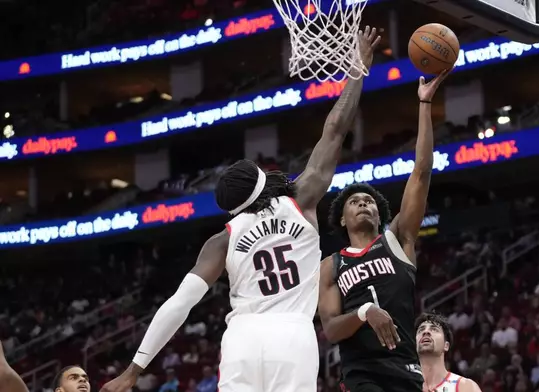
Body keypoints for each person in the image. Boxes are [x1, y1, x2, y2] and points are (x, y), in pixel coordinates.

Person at [100, 26, 382, 392]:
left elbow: (179, 304)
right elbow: (335, 129)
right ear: (264, 181)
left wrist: (133, 371)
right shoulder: (300, 198)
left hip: (242, 339)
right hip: (292, 335)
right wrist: (357, 67)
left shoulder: (222, 239)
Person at [318, 69, 450, 392]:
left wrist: (425, 104)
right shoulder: (331, 265)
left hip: (405, 369)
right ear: (343, 220)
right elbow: (332, 330)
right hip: (361, 372)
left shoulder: (398, 239)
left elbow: (421, 172)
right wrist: (366, 312)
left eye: (369, 201)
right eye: (354, 202)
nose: (363, 204)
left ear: (380, 214)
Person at [415, 312, 480, 392]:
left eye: (434, 329)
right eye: (421, 330)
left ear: (446, 345)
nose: (426, 332)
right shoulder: (403, 385)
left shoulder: (465, 387)